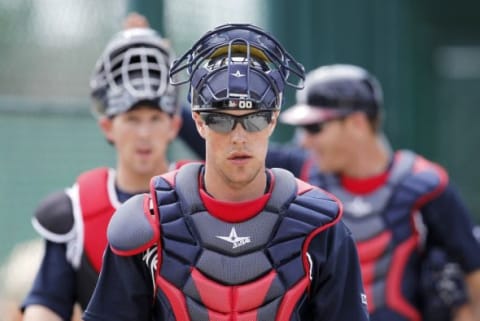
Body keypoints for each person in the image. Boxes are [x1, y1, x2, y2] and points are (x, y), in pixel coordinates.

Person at [83, 23, 369, 321]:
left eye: (254, 118)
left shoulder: (321, 228)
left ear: (273, 120)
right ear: (198, 121)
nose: (239, 136)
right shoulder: (149, 223)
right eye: (221, 119)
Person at [278, 64, 480, 321]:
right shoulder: (298, 170)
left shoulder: (423, 185)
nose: (303, 140)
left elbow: (474, 272)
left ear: (357, 122)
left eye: (314, 128)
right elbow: (218, 143)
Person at [20, 14, 182, 321]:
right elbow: (46, 305)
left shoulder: (202, 194)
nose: (144, 133)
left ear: (174, 125)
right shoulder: (76, 212)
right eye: (132, 119)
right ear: (108, 127)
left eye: (155, 119)